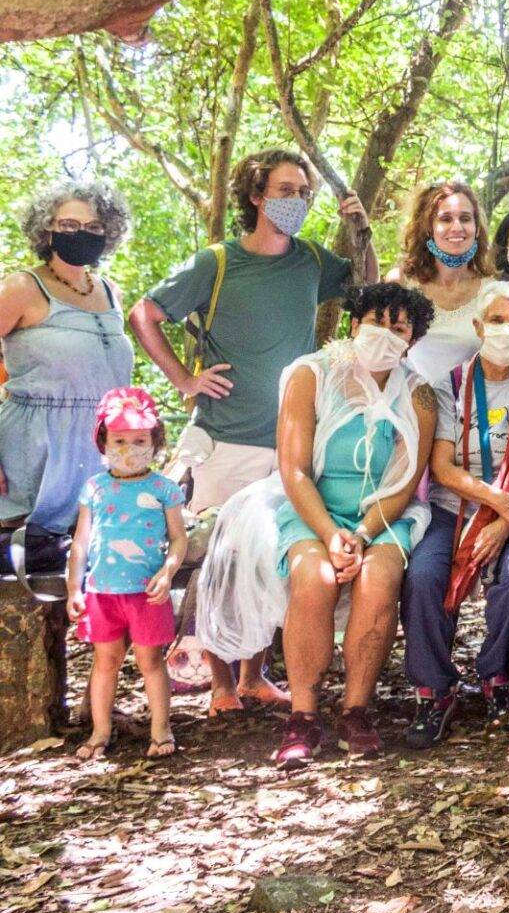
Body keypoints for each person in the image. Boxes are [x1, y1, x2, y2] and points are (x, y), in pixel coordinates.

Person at [135, 148, 373, 713]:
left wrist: (361, 230)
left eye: (303, 192)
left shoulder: (311, 260)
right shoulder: (216, 263)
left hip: (293, 441)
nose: (297, 201)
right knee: (220, 560)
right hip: (226, 436)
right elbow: (145, 314)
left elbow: (367, 288)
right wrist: (184, 379)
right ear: (256, 196)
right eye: (285, 191)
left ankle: (253, 676)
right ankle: (220, 686)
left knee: (271, 559)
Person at [190, 282, 438, 767]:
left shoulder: (420, 395)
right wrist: (329, 534)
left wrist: (362, 535)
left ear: (412, 339)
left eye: (399, 327)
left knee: (380, 578)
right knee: (313, 576)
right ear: (354, 324)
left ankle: (356, 711)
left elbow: (406, 479)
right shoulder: (311, 373)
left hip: (382, 514)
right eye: (377, 322)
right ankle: (303, 715)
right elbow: (295, 468)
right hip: (311, 506)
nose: (386, 334)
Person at [400, 281, 509, 748]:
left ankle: (496, 674)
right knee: (423, 578)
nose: (506, 330)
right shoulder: (449, 385)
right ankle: (434, 690)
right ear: (478, 326)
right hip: (453, 509)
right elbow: (442, 467)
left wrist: (507, 519)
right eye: (497, 321)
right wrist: (496, 503)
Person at [0, 181, 135, 538]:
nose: (81, 234)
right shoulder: (22, 287)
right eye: (69, 225)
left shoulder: (110, 292)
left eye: (94, 226)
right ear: (47, 229)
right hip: (32, 448)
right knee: (24, 551)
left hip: (98, 449)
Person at [65, 387, 186, 760]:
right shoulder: (95, 488)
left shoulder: (164, 489)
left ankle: (161, 730)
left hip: (147, 593)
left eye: (139, 440)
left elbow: (178, 539)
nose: (129, 448)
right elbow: (81, 542)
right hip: (102, 592)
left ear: (154, 442)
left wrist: (168, 572)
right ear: (103, 441)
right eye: (119, 440)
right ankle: (100, 731)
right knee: (106, 661)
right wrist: (74, 588)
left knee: (151, 661)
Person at [390, 180, 493, 383]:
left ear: (477, 228)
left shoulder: (493, 291)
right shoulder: (401, 283)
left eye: (465, 218)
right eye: (445, 219)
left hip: (473, 401)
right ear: (428, 228)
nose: (457, 227)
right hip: (410, 399)